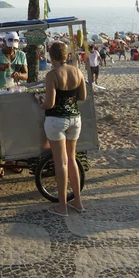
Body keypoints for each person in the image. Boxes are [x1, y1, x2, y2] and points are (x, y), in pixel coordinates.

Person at [36, 41, 87, 216]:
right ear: (66, 55)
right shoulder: (77, 71)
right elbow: (83, 96)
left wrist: (40, 103)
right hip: (75, 119)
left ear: (51, 56)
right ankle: (78, 203)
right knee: (72, 159)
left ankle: (62, 207)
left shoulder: (52, 75)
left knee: (61, 162)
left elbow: (49, 103)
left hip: (56, 120)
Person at [0, 31, 28, 177]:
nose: (12, 50)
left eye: (14, 47)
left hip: (14, 96)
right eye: (10, 47)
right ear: (4, 43)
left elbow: (26, 75)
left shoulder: (20, 55)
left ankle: (12, 160)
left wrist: (19, 75)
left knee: (14, 129)